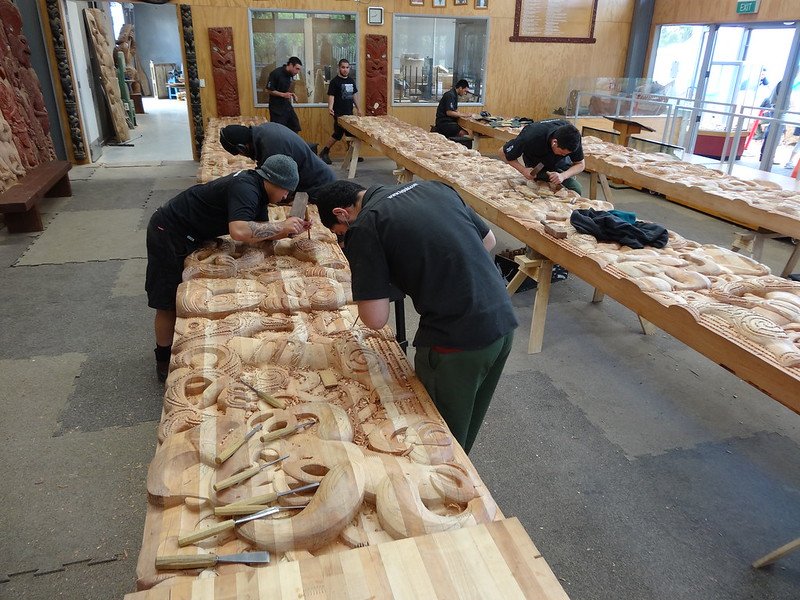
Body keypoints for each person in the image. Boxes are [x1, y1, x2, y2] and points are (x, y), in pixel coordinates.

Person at [315, 179, 517, 454]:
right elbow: (488, 241)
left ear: (341, 213)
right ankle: (458, 478)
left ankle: (445, 485)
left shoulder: (365, 225)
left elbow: (375, 319)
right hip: (503, 323)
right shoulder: (434, 187)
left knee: (435, 437)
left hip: (457, 342)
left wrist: (375, 280)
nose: (342, 238)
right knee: (462, 429)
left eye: (340, 233)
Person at [146, 155, 309, 382]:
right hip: (169, 229)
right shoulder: (246, 188)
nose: (285, 197)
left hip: (193, 233)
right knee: (167, 301)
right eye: (286, 191)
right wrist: (280, 225)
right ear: (273, 181)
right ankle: (163, 362)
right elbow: (239, 231)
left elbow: (258, 235)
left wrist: (285, 232)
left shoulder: (260, 193)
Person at [219, 122, 336, 199]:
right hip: (310, 180)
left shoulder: (271, 146)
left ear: (242, 147)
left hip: (317, 186)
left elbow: (277, 185)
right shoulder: (263, 132)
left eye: (241, 153)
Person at [500, 119, 585, 195]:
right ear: (554, 142)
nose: (564, 155)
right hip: (537, 166)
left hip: (560, 166)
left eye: (567, 154)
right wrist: (523, 170)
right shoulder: (530, 136)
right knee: (540, 192)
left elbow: (580, 164)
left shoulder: (573, 136)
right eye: (562, 153)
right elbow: (502, 153)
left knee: (575, 189)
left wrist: (563, 175)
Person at [319, 59, 361, 165]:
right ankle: (324, 152)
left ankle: (351, 154)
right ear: (339, 68)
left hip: (349, 112)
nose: (345, 69)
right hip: (338, 113)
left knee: (350, 133)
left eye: (347, 67)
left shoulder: (351, 81)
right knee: (338, 134)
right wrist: (330, 108)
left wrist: (358, 108)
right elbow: (331, 96)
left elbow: (354, 95)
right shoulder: (334, 82)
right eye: (343, 67)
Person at [267, 57, 303, 133]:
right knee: (279, 131)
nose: (297, 72)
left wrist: (292, 94)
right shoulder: (276, 73)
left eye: (299, 69)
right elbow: (269, 90)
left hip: (286, 106)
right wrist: (283, 95)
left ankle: (292, 144)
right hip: (276, 108)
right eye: (297, 69)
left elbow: (285, 89)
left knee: (295, 126)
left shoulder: (290, 75)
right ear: (290, 65)